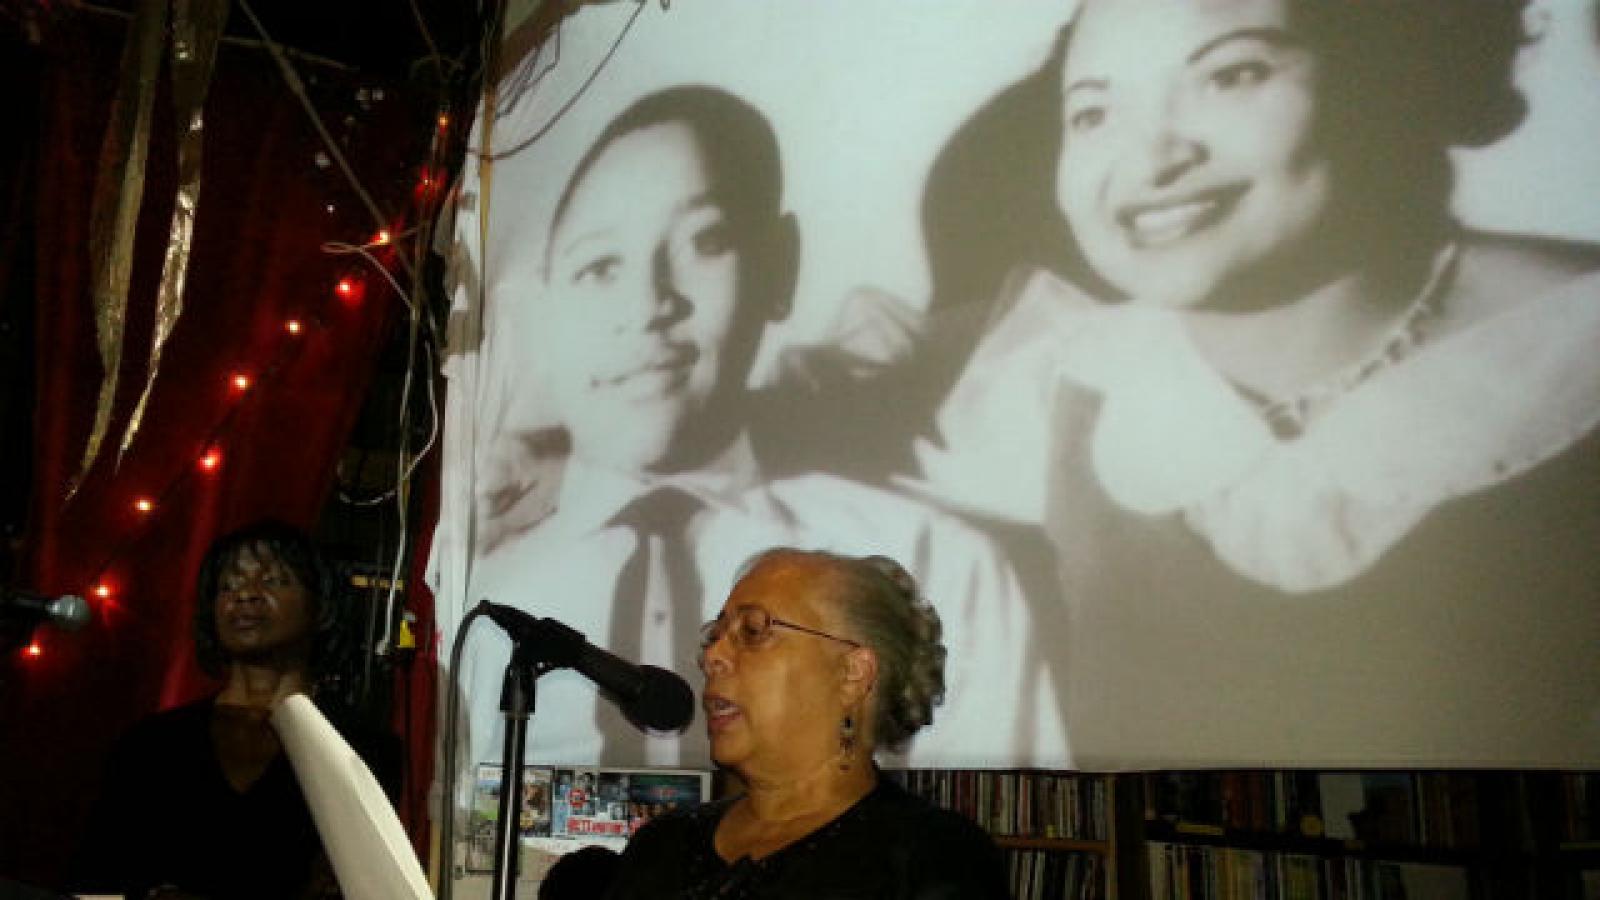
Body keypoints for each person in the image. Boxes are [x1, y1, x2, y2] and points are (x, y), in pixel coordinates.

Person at [915, 0, 1600, 764]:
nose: (1151, 159)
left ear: (1389, 69)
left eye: (1232, 75)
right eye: (1093, 113)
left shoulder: (1575, 343)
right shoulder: (1061, 382)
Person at [462, 86, 1068, 773]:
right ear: (547, 307)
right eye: (599, 266)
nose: (649, 305)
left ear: (779, 265)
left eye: (705, 241)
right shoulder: (495, 602)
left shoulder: (946, 562)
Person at [604, 548, 1009, 899]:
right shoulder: (662, 846)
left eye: (754, 631)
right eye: (716, 634)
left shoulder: (933, 859)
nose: (713, 657)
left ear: (853, 672)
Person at [73, 520, 400, 899]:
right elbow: (97, 877)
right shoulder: (152, 744)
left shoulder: (360, 747)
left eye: (274, 580)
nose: (246, 595)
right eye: (228, 586)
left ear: (321, 607)